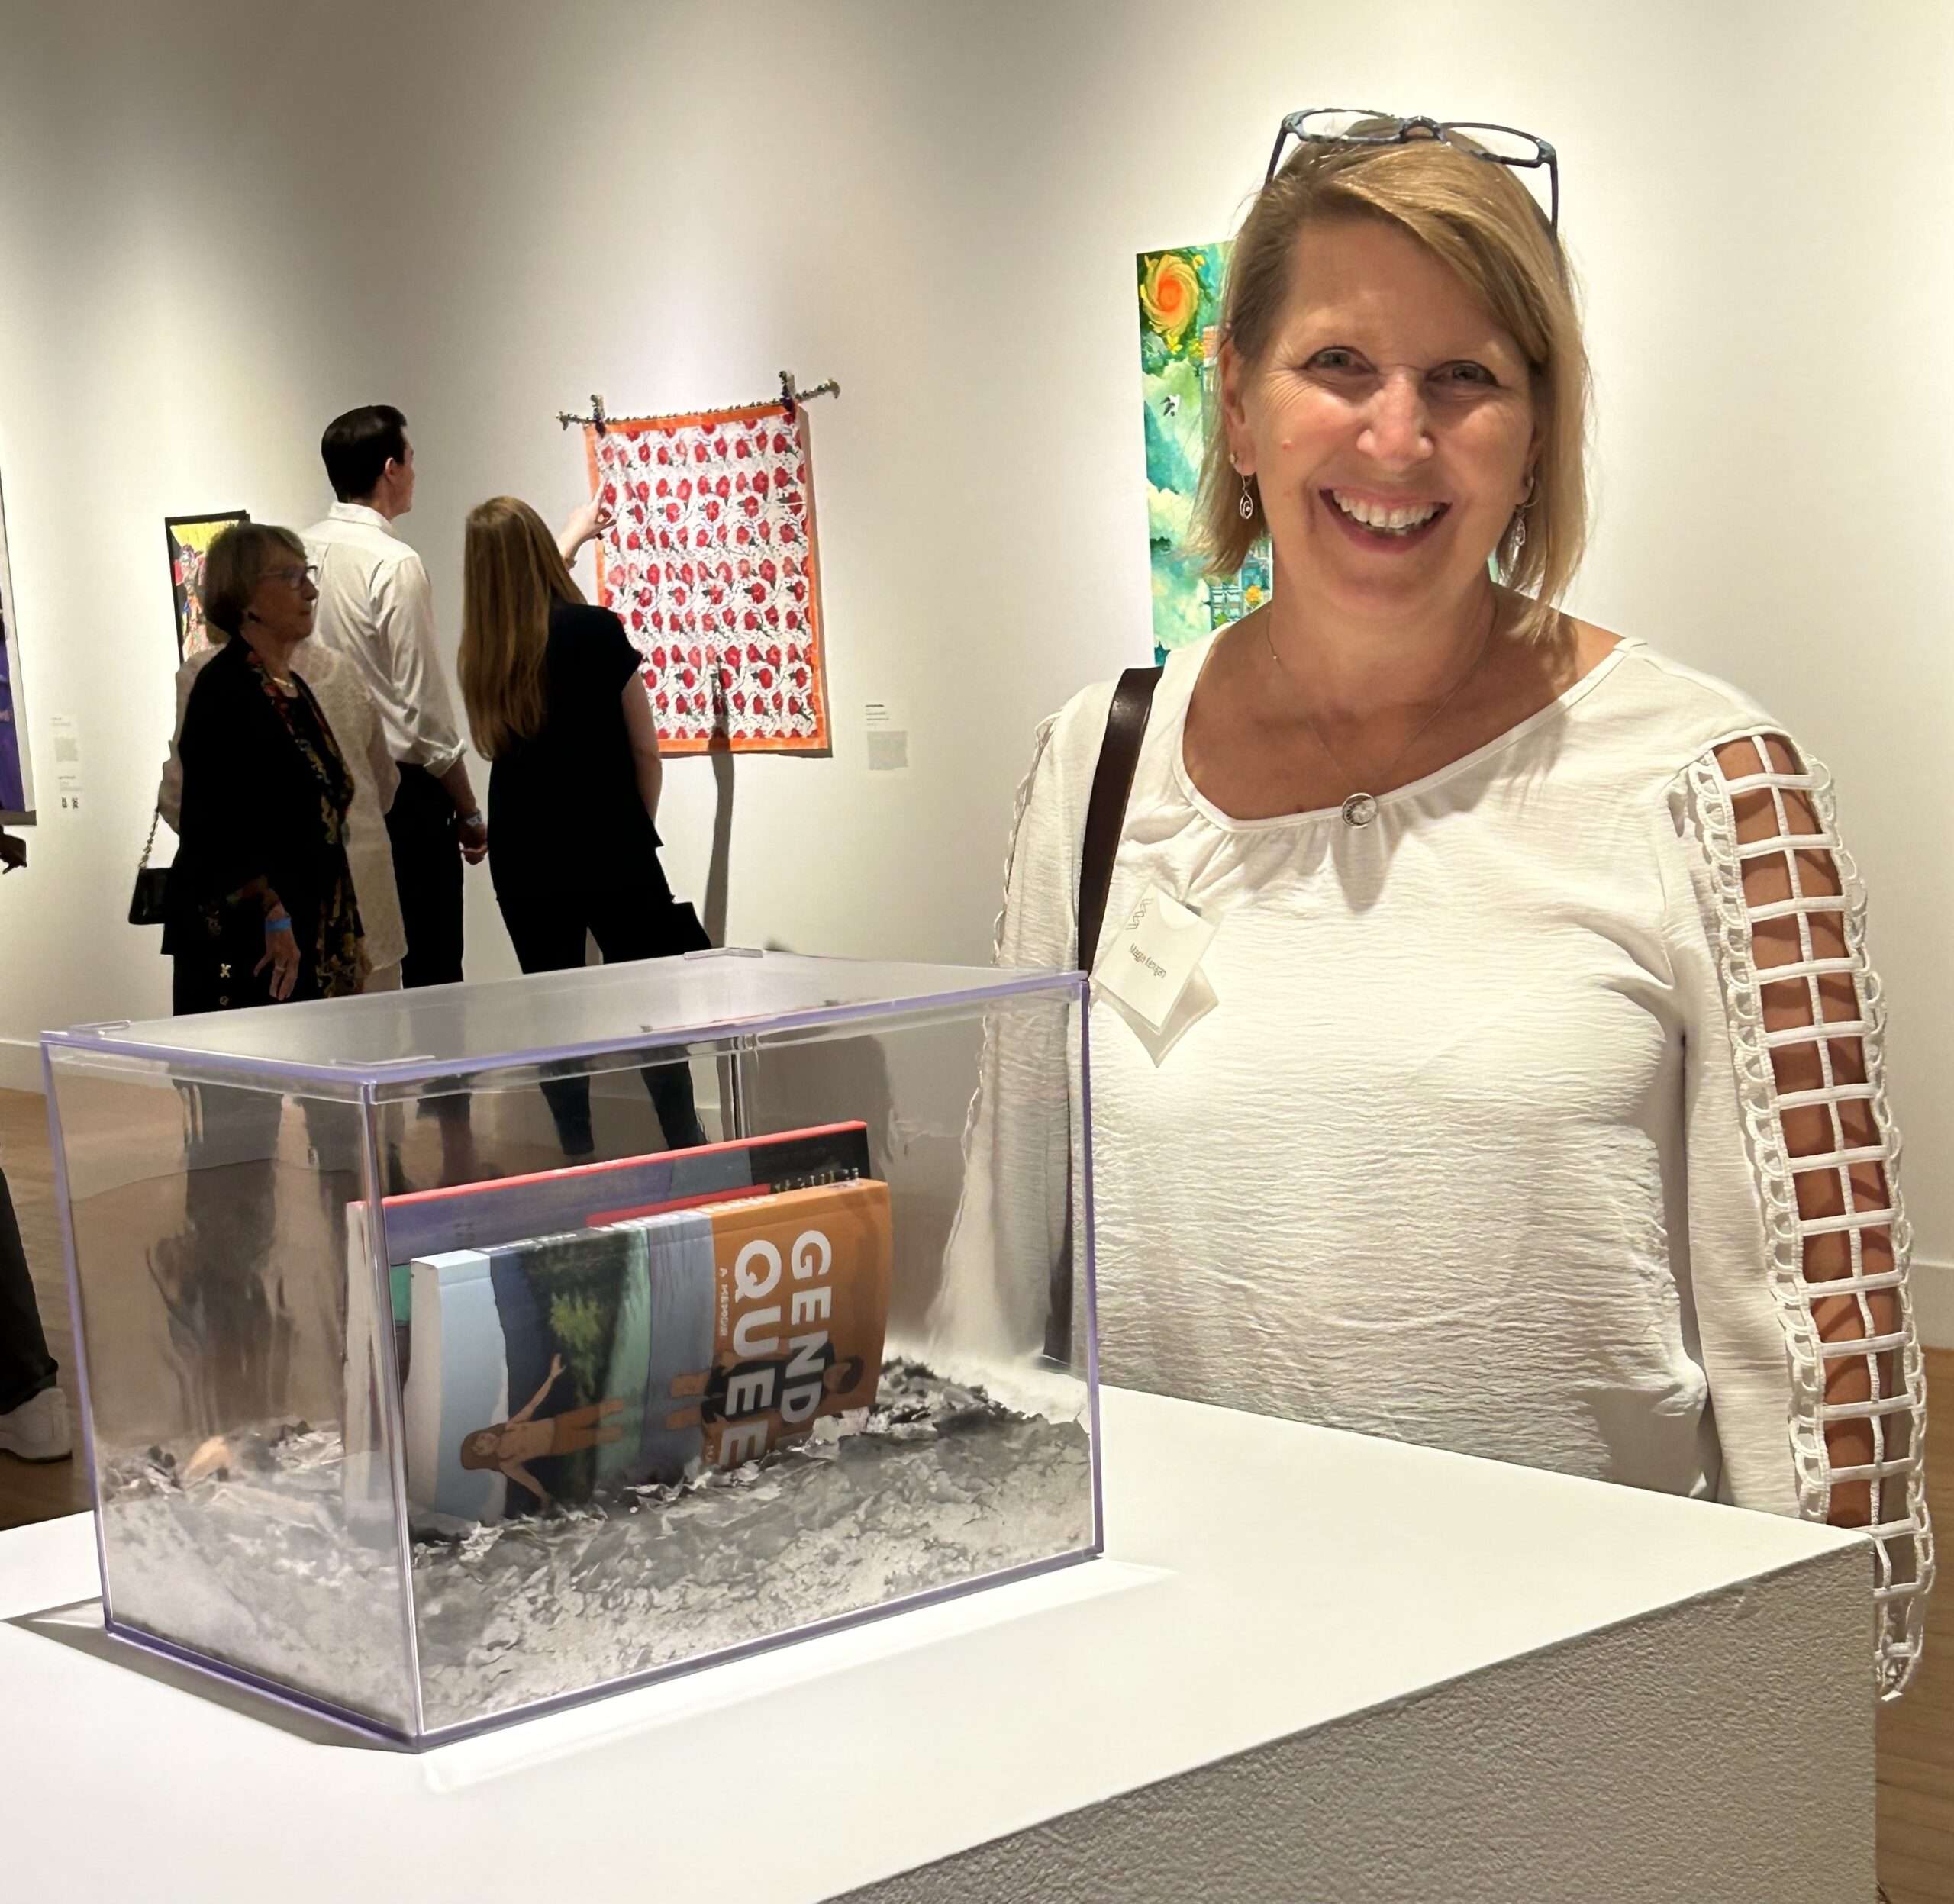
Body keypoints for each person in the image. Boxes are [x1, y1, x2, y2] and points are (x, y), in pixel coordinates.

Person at [948, 112, 1931, 1699]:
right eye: (1337, 363)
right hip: (1170, 1685)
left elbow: (1814, 1375)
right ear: (1240, 409)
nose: (1394, 438)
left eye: (1463, 377)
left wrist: (1794, 1750)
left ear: (1537, 431)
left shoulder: (1710, 785)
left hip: (1584, 1697)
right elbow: (1006, 1262)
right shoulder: (1096, 763)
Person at [458, 495, 708, 1158]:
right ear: (540, 553)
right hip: (610, 839)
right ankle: (684, 1140)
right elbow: (645, 751)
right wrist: (636, 829)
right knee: (651, 1006)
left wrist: (570, 537)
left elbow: (532, 617)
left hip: (525, 850)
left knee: (556, 1012)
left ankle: (577, 1151)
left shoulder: (484, 655)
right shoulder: (597, 630)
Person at [308, 406, 481, 1181]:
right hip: (404, 792)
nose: (415, 469)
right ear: (389, 468)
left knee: (357, 963)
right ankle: (452, 1142)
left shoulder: (301, 555)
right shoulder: (394, 564)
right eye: (410, 457)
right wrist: (468, 804)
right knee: (435, 968)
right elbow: (422, 707)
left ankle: (363, 1139)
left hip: (323, 792)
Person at [160, 588, 405, 990]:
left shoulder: (207, 673)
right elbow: (383, 784)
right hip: (357, 897)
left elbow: (178, 801)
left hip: (289, 911)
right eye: (290, 577)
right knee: (374, 1044)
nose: (311, 591)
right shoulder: (341, 670)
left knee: (286, 1046)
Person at [166, 523, 366, 1011]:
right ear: (247, 594)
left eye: (308, 574)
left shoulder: (291, 688)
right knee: (248, 1084)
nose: (311, 590)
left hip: (307, 925)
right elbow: (210, 825)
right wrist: (273, 913)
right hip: (252, 942)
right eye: (293, 576)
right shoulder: (225, 689)